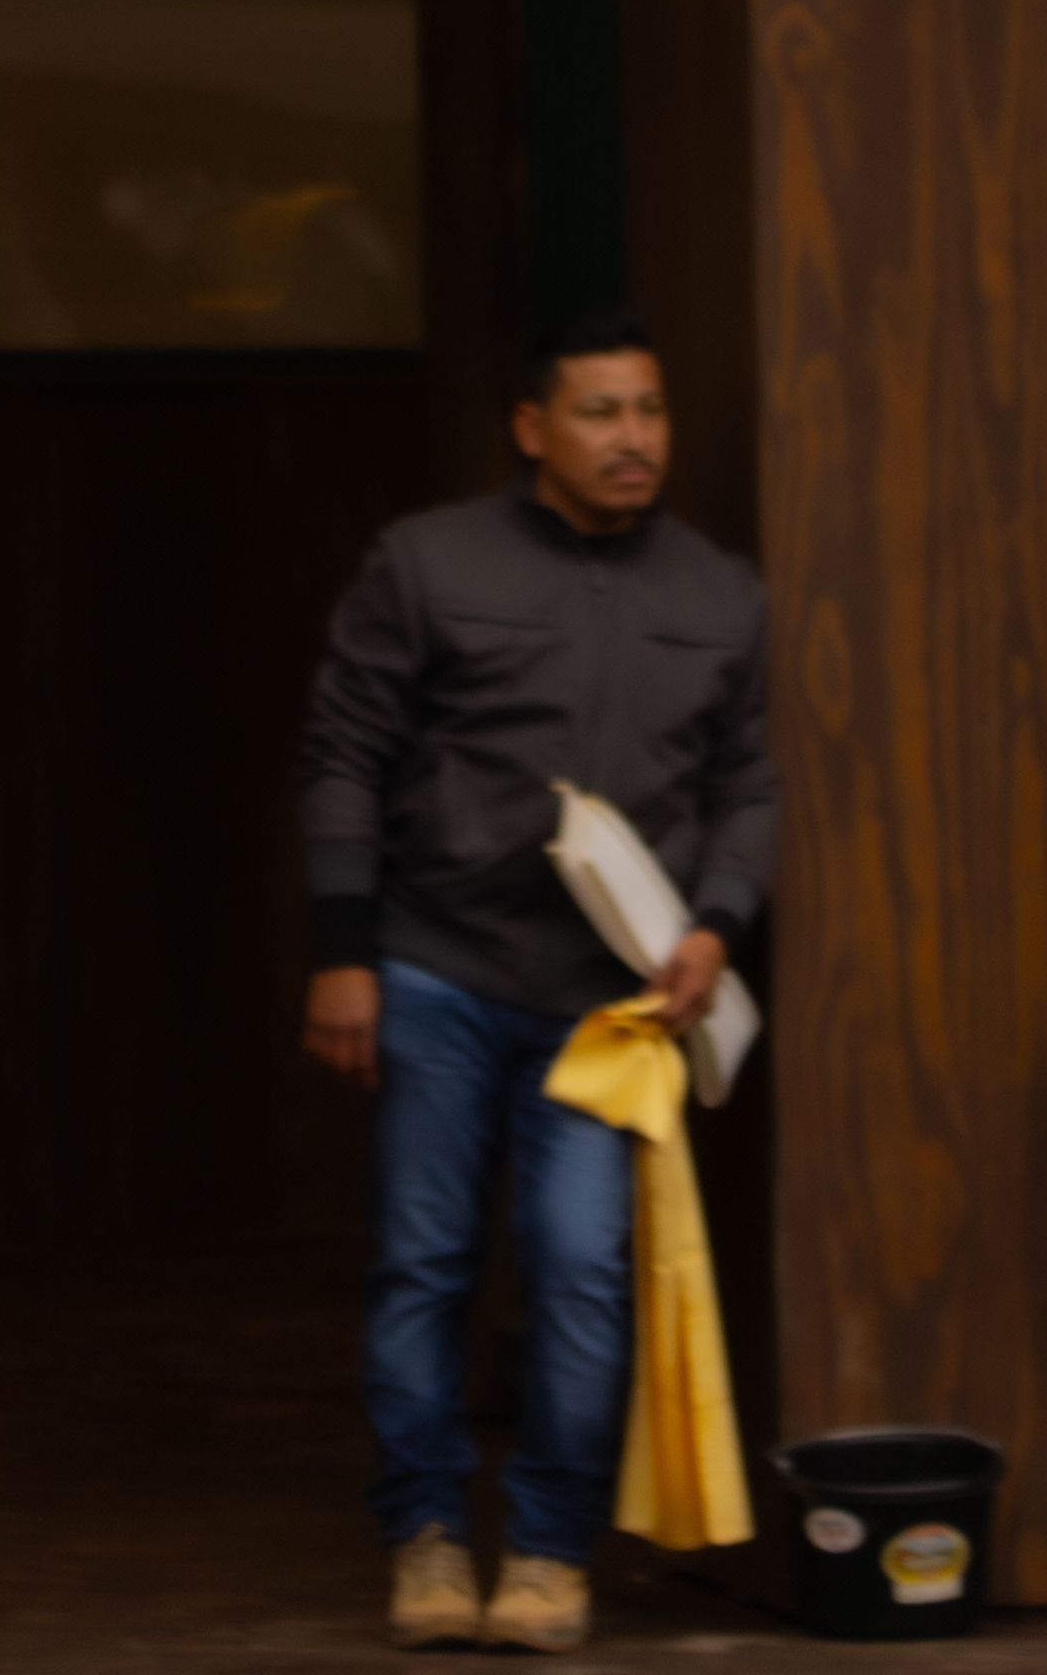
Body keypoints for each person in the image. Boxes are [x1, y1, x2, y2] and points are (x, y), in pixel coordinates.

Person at [295, 311, 775, 1654]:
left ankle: (551, 1552)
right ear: (531, 427)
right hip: (437, 969)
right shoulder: (428, 563)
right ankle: (429, 1539)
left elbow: (746, 783)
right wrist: (343, 951)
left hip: (609, 1003)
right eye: (602, 412)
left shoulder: (719, 592)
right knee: (425, 1265)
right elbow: (343, 760)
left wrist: (720, 921)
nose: (635, 440)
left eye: (652, 412)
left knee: (577, 1272)